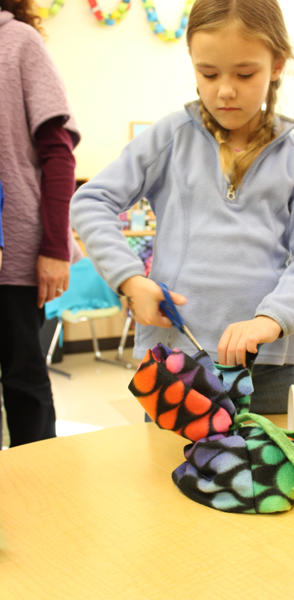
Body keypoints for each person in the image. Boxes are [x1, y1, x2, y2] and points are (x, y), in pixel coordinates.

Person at [70, 0, 294, 415]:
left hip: (267, 366)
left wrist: (271, 319)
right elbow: (91, 200)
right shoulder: (171, 138)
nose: (224, 89)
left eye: (245, 74)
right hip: (177, 360)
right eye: (207, 73)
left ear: (277, 64)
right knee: (164, 474)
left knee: (266, 471)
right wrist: (130, 280)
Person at [0, 1, 80, 446]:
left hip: (15, 253)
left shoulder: (19, 43)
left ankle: (39, 501)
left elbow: (59, 154)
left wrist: (53, 247)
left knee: (24, 380)